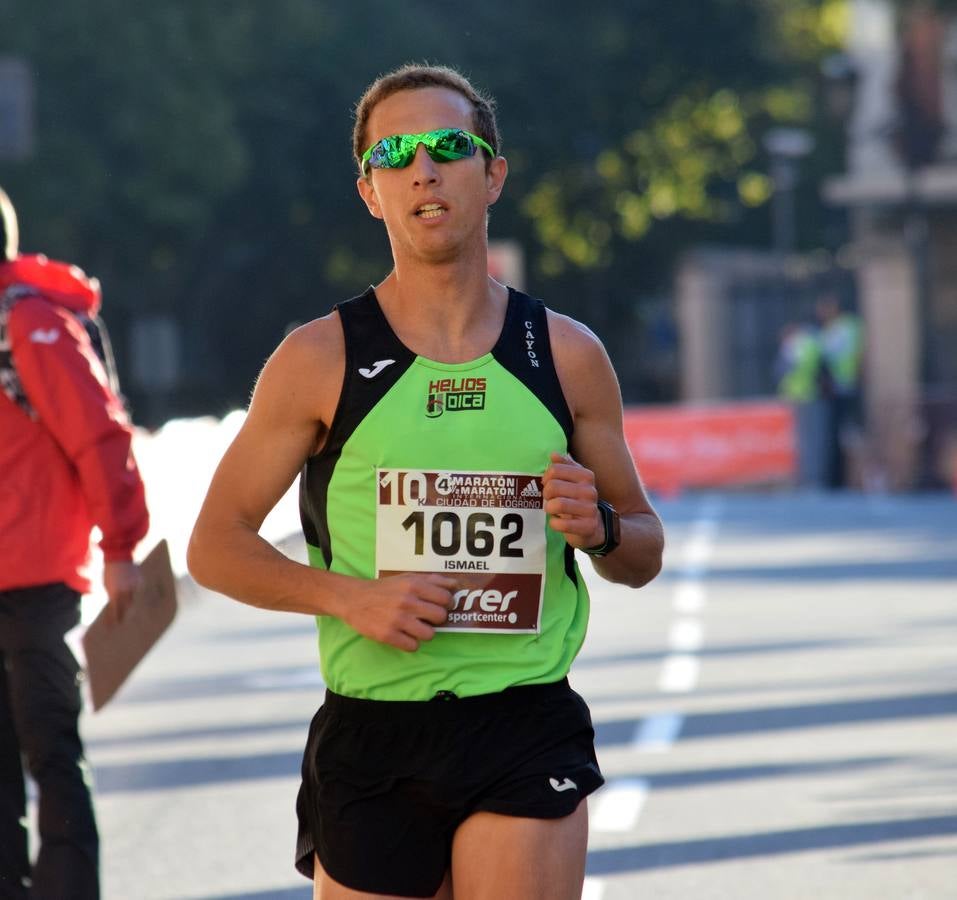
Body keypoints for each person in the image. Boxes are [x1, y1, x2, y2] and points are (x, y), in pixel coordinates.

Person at [188, 63, 664, 900]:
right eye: (394, 155)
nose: (423, 169)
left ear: (493, 175)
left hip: (522, 716)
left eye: (448, 145)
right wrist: (351, 598)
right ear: (370, 191)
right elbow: (213, 546)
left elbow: (643, 548)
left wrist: (603, 532)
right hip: (374, 729)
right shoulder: (317, 359)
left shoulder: (565, 355)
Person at [0, 187, 150, 899]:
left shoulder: (28, 325)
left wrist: (121, 550)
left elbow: (99, 437)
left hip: (34, 580)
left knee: (48, 748)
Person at [815, 293, 864, 489]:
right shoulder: (846, 326)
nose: (820, 314)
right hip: (842, 386)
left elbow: (831, 355)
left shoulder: (840, 328)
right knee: (841, 434)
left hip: (842, 386)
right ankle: (841, 478)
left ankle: (842, 478)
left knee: (842, 434)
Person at [775, 320, 826, 488]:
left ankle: (810, 479)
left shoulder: (797, 346)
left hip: (801, 397)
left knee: (807, 441)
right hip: (809, 395)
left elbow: (782, 370)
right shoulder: (811, 343)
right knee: (814, 440)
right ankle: (814, 478)